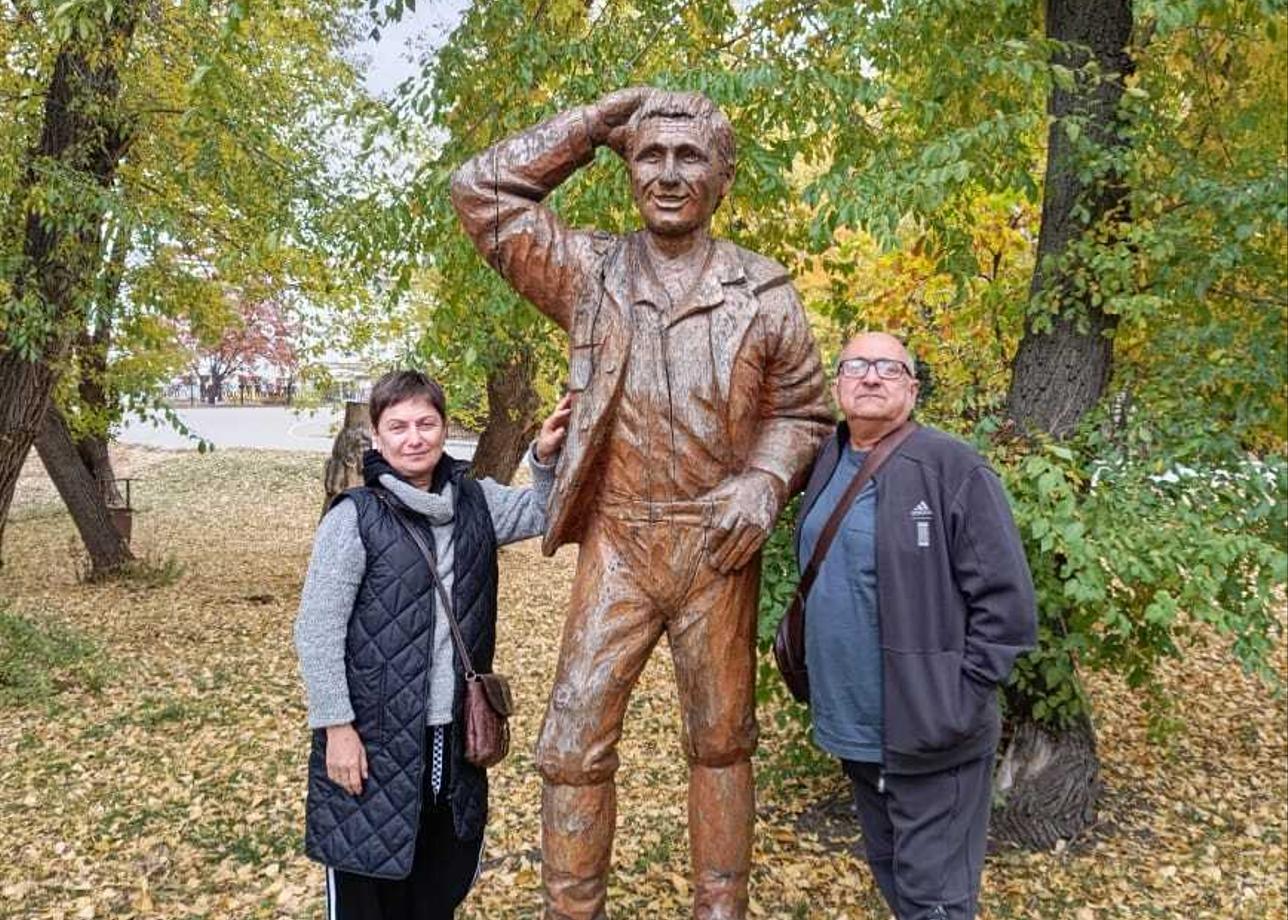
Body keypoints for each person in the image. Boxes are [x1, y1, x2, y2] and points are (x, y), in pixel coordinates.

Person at [451, 88, 832, 919]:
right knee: (571, 748)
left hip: (714, 546)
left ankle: (719, 909)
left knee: (723, 742)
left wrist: (766, 481)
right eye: (649, 155)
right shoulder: (589, 272)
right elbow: (481, 192)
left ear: (722, 177)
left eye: (689, 157)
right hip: (618, 544)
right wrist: (594, 122)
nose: (666, 173)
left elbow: (805, 409)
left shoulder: (764, 294)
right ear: (627, 168)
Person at [293, 370, 572, 920]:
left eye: (426, 423)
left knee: (437, 887)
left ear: (445, 429)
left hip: (453, 735)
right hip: (371, 740)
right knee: (366, 894)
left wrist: (542, 456)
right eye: (397, 426)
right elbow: (317, 629)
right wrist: (336, 729)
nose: (413, 437)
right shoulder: (355, 518)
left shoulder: (476, 504)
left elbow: (544, 512)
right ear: (376, 437)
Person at [795, 332, 1037, 920]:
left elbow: (1008, 608)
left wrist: (954, 702)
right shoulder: (827, 459)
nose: (870, 377)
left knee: (936, 900)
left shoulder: (952, 467)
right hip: (856, 729)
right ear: (839, 383)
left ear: (912, 387)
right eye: (856, 366)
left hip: (932, 736)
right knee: (896, 878)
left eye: (888, 367)